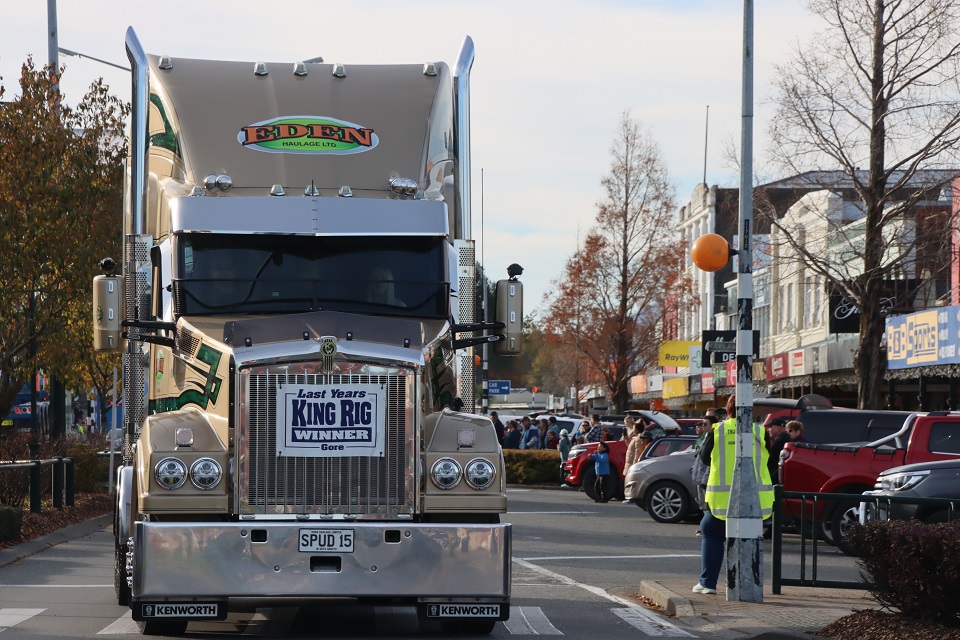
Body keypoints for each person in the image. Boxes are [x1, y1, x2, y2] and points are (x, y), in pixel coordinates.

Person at [694, 394, 774, 595]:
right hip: (756, 499)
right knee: (748, 538)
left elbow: (703, 458)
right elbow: (770, 460)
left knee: (711, 531)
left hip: (723, 498)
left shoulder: (718, 430)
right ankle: (750, 586)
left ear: (728, 410)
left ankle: (708, 583)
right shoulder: (760, 431)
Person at [765, 417, 791, 483]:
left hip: (776, 476)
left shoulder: (781, 440)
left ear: (777, 428)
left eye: (770, 427)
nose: (768, 430)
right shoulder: (784, 438)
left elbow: (772, 459)